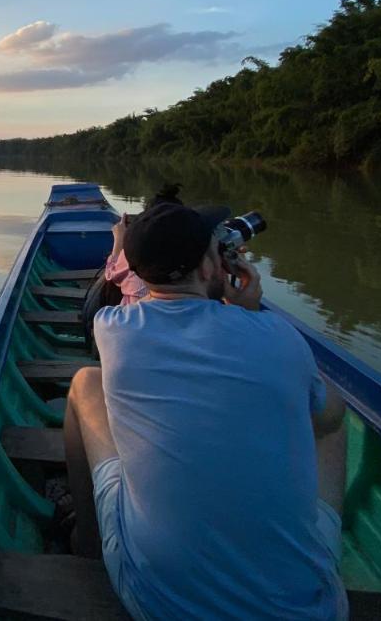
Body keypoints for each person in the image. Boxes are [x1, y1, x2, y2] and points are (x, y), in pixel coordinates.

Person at [63, 202, 348, 621]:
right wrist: (248, 312)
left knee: (86, 383)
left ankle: (87, 539)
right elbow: (327, 416)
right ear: (212, 266)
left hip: (158, 604)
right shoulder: (279, 337)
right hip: (311, 612)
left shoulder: (112, 329)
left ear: (138, 272)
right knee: (330, 420)